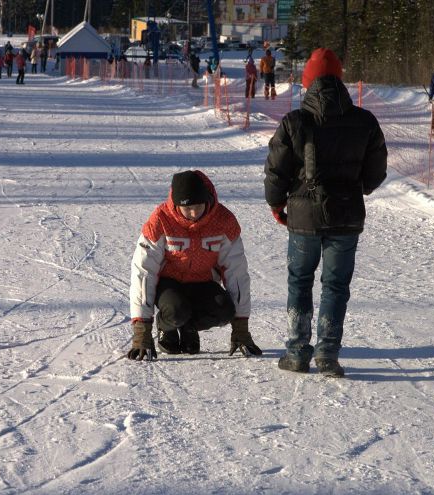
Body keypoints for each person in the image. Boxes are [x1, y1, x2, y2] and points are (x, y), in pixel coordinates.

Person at [264, 48, 387, 377]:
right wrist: (355, 187)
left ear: (307, 82)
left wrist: (278, 204)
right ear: (340, 78)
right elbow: (374, 176)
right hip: (346, 218)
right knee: (336, 286)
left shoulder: (294, 121)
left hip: (303, 218)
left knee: (300, 282)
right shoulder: (365, 121)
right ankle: (328, 354)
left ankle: (296, 352)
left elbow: (276, 172)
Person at [127, 170, 262, 361]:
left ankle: (187, 325)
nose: (193, 213)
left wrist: (241, 328)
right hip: (169, 284)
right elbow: (143, 272)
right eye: (187, 208)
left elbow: (236, 272)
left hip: (202, 282)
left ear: (207, 200)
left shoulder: (224, 221)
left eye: (198, 206)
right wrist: (141, 330)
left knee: (224, 310)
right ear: (176, 204)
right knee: (176, 311)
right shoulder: (160, 220)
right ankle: (167, 325)